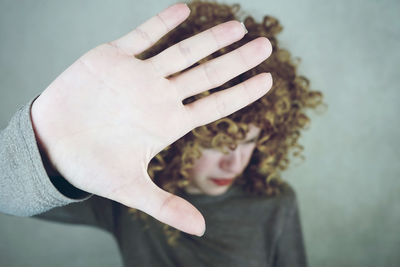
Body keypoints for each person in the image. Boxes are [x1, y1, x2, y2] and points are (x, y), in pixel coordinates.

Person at [0, 0, 324, 266]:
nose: (233, 163)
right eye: (217, 144)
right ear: (179, 140)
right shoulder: (124, 192)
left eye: (250, 142)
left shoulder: (275, 203)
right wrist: (43, 147)